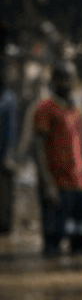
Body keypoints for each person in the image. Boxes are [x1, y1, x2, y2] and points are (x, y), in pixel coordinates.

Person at [31, 64, 82, 255]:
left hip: (79, 185)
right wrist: (47, 183)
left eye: (71, 78)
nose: (68, 83)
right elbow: (38, 149)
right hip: (57, 185)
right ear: (54, 81)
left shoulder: (77, 111)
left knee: (81, 243)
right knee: (53, 243)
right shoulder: (45, 109)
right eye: (63, 78)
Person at [0, 68, 17, 236]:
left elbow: (11, 129)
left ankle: (5, 227)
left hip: (3, 156)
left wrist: (9, 156)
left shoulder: (9, 99)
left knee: (4, 194)